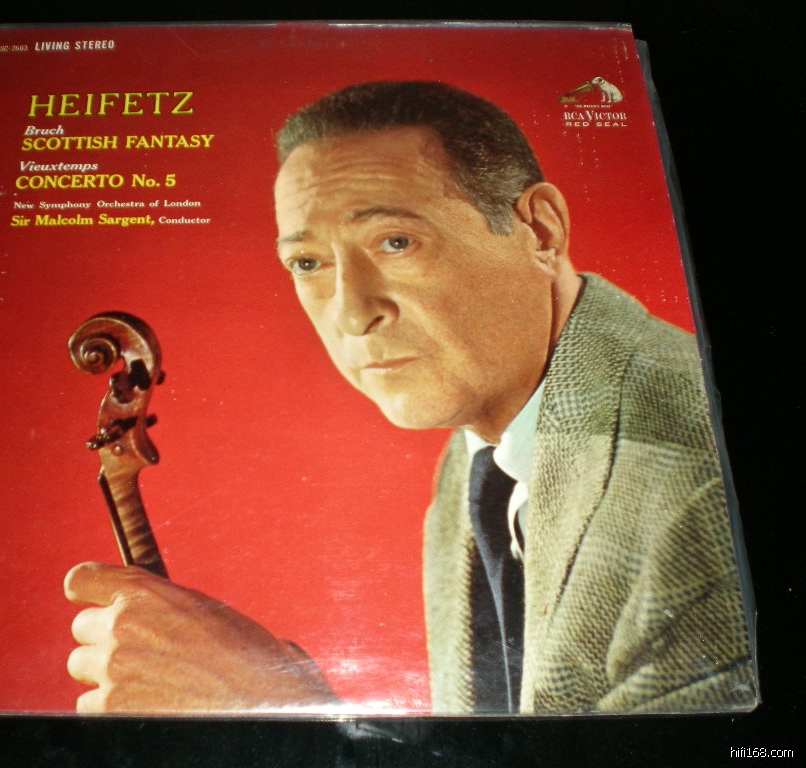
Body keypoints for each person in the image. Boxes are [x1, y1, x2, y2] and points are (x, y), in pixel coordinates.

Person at [64, 82, 756, 715]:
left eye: (396, 242)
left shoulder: (699, 489)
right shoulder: (480, 455)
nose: (351, 312)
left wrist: (279, 709)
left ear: (541, 232)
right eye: (308, 263)